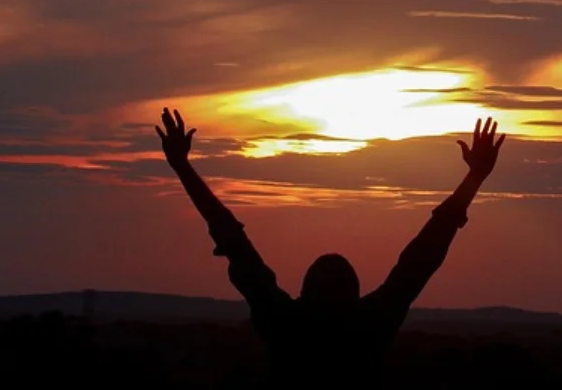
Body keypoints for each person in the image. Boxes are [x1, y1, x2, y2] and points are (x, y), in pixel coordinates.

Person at [155, 107, 505, 385]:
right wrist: (473, 179)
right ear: (353, 294)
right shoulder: (372, 325)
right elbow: (422, 257)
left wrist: (183, 168)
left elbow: (232, 240)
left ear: (306, 291)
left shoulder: (285, 324)